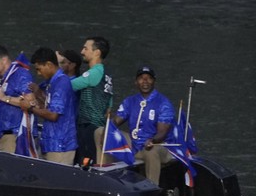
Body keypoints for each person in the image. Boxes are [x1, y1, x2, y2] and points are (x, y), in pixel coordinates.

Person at [101, 65, 175, 185]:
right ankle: (106, 176)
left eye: (148, 78)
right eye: (141, 78)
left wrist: (152, 140)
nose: (145, 81)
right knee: (101, 132)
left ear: (154, 81)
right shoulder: (130, 101)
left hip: (156, 145)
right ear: (136, 82)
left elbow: (162, 132)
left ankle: (152, 189)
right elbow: (116, 121)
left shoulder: (163, 103)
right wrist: (109, 122)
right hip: (134, 144)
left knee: (151, 151)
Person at [15, 48, 77, 165]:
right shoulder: (51, 82)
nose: (38, 73)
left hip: (60, 146)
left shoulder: (62, 82)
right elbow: (47, 106)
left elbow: (53, 115)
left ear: (49, 64)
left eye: (39, 69)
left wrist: (30, 108)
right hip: (49, 143)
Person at [72, 36, 113, 165]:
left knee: (85, 166)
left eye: (85, 48)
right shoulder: (107, 76)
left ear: (97, 52)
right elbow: (109, 108)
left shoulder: (94, 73)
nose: (82, 51)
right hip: (99, 128)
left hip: (88, 127)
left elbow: (67, 85)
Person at [0, 44, 33, 153]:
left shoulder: (21, 75)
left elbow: (29, 102)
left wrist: (4, 97)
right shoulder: (1, 78)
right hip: (1, 134)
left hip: (14, 135)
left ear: (4, 59)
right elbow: (2, 107)